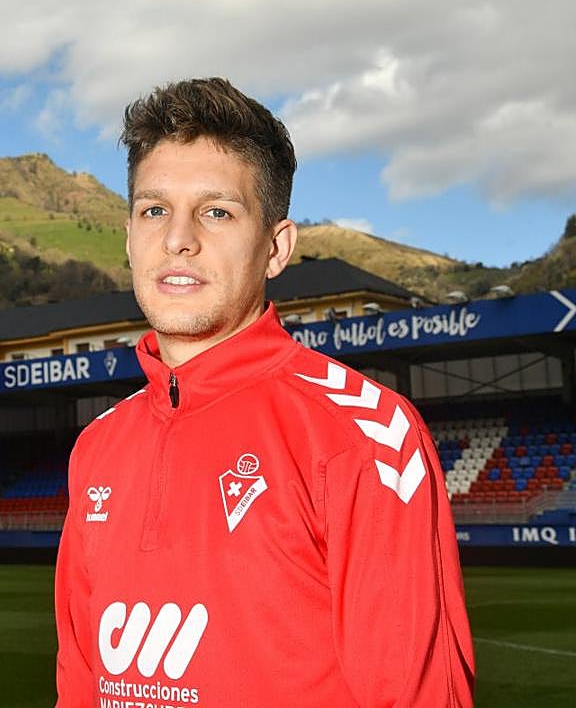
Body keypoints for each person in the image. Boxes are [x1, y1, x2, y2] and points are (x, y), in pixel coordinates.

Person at [54, 78, 475, 707]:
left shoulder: (364, 435)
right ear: (128, 236)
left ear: (276, 249)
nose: (178, 238)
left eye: (217, 212)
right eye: (154, 210)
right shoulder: (97, 447)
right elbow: (79, 685)